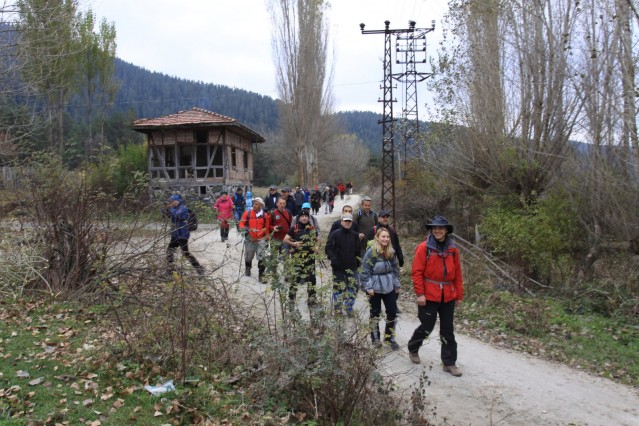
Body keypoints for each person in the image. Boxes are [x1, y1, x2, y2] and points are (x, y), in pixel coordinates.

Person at [407, 216, 464, 377]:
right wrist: (420, 294)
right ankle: (413, 347)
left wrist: (458, 295)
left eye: (441, 228)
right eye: (435, 228)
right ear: (432, 230)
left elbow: (457, 274)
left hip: (448, 295)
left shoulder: (453, 249)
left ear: (446, 231)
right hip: (429, 294)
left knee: (447, 330)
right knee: (427, 326)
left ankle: (449, 362)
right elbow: (416, 272)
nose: (437, 231)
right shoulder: (424, 247)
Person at [359, 228, 401, 349]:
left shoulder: (391, 251)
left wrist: (396, 284)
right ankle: (375, 338)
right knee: (375, 313)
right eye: (383, 237)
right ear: (377, 238)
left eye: (387, 237)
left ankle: (389, 338)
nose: (386, 239)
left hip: (389, 286)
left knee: (392, 312)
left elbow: (395, 269)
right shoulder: (371, 252)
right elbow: (365, 270)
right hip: (374, 287)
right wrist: (368, 287)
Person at [365, 209, 404, 313]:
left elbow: (396, 244)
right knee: (375, 307)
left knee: (394, 284)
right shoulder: (373, 230)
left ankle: (393, 306)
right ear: (379, 218)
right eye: (383, 217)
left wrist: (400, 257)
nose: (385, 218)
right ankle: (377, 311)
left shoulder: (391, 229)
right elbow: (366, 247)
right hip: (376, 265)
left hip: (391, 261)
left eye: (387, 217)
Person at [325, 213, 361, 316]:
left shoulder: (355, 235)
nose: (347, 223)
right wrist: (333, 258)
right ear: (341, 222)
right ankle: (338, 309)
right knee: (338, 288)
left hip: (352, 267)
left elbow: (358, 251)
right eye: (345, 221)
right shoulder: (335, 234)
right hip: (338, 267)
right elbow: (328, 248)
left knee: (354, 287)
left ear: (351, 222)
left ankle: (349, 307)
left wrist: (358, 262)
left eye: (349, 221)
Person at [283, 210, 319, 312]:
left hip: (310, 258)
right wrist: (294, 244)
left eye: (306, 216)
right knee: (295, 278)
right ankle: (291, 299)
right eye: (302, 216)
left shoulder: (312, 228)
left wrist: (316, 247)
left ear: (308, 218)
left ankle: (312, 299)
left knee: (312, 279)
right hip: (297, 258)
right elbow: (285, 239)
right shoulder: (294, 228)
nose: (304, 218)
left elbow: (318, 239)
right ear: (299, 218)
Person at [164, 194, 204, 275]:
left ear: (178, 201)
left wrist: (170, 209)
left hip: (182, 234)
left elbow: (177, 215)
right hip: (175, 233)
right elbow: (170, 216)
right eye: (171, 201)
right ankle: (170, 270)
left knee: (185, 253)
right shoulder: (174, 208)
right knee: (169, 251)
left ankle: (199, 269)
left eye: (173, 201)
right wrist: (165, 210)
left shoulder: (183, 208)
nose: (172, 203)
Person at [239, 197, 271, 282]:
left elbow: (267, 228)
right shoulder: (247, 213)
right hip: (250, 239)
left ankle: (261, 275)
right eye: (253, 204)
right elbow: (241, 224)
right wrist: (248, 234)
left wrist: (266, 239)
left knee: (262, 257)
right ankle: (248, 268)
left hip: (261, 240)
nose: (254, 205)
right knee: (248, 257)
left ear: (261, 205)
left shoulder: (265, 216)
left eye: (256, 204)